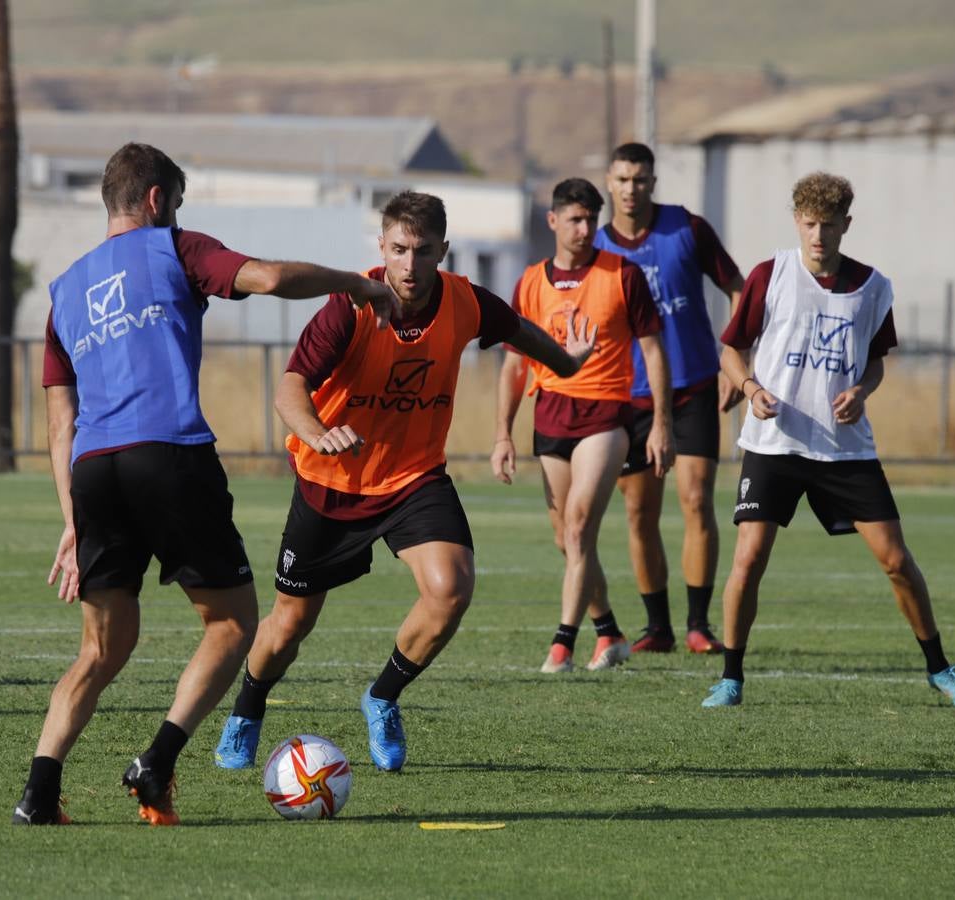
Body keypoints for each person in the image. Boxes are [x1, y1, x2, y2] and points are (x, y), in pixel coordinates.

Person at [11, 142, 397, 827]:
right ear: (158, 200)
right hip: (168, 455)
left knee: (100, 649)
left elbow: (59, 421)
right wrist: (356, 283)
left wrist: (73, 521)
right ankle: (156, 761)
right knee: (232, 623)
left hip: (94, 472)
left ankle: (39, 793)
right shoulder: (175, 247)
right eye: (177, 202)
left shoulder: (65, 292)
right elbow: (271, 277)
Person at [213, 190, 596, 773]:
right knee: (289, 626)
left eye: (421, 251)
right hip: (329, 481)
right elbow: (289, 387)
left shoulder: (465, 302)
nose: (409, 265)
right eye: (398, 250)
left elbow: (521, 332)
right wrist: (317, 432)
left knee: (451, 587)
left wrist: (567, 364)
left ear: (442, 249)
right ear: (381, 248)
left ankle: (383, 696)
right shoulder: (349, 307)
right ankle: (246, 708)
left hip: (413, 478)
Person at [702, 171, 955, 710]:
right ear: (796, 221)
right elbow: (731, 350)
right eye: (809, 224)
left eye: (828, 225)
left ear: (845, 226)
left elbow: (876, 363)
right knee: (749, 558)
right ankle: (731, 677)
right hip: (774, 444)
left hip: (843, 448)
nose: (817, 235)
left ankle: (940, 669)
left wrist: (861, 391)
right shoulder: (771, 275)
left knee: (896, 561)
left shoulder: (874, 287)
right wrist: (749, 386)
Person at [491, 178, 673, 674]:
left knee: (578, 527)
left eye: (591, 218)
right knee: (567, 541)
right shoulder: (530, 282)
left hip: (606, 416)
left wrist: (660, 422)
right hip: (550, 413)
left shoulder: (623, 274)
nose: (584, 227)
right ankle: (609, 631)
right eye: (574, 218)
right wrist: (503, 433)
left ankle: (561, 646)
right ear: (552, 221)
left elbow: (654, 351)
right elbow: (513, 365)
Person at [595, 142, 746, 654]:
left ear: (653, 182)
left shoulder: (688, 228)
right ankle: (658, 629)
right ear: (609, 183)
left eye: (640, 179)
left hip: (696, 385)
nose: (631, 188)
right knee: (640, 512)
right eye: (622, 179)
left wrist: (736, 361)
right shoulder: (596, 248)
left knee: (698, 499)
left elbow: (739, 290)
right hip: (630, 397)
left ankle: (699, 625)